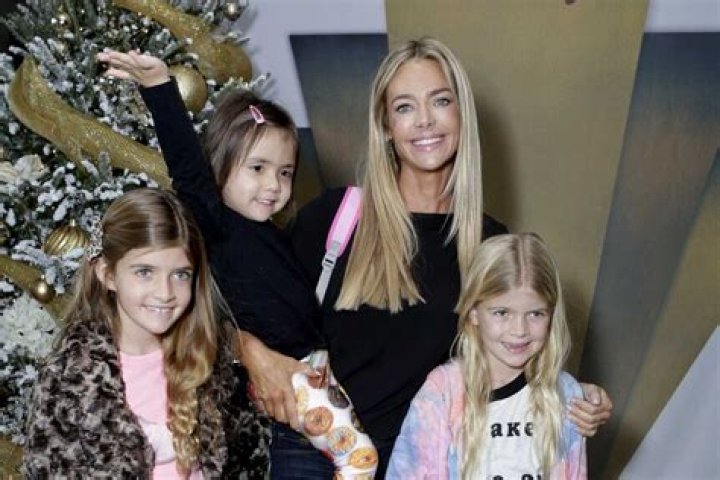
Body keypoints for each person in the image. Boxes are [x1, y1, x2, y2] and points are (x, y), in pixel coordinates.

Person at [241, 37, 613, 478]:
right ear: (385, 125)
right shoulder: (334, 218)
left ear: (461, 114)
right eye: (404, 107)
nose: (424, 121)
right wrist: (253, 354)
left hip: (427, 461)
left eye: (440, 101)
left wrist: (576, 395)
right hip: (316, 454)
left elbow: (514, 352)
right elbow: (226, 303)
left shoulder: (489, 243)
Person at [96, 50, 378, 478]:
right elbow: (188, 171)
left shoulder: (276, 234)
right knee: (361, 460)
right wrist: (158, 88)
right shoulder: (218, 226)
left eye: (285, 172)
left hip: (314, 375)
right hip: (292, 383)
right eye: (258, 168)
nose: (273, 185)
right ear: (220, 168)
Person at [23, 188, 240, 477]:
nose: (165, 293)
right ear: (107, 274)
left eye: (180, 274)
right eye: (145, 272)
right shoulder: (70, 381)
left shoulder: (207, 362)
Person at [387, 233, 587, 479]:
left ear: (552, 315)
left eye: (535, 314)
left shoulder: (565, 394)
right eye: (502, 313)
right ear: (473, 312)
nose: (519, 330)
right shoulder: (443, 391)